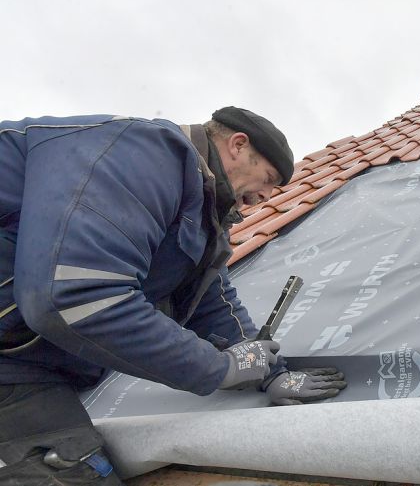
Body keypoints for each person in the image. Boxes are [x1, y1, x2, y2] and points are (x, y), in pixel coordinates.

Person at [0, 107, 347, 484]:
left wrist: (269, 372)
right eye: (268, 178)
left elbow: (212, 301)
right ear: (237, 145)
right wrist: (220, 368)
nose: (265, 197)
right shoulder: (144, 154)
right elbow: (75, 297)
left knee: (75, 467)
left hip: (26, 367)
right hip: (20, 359)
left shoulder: (201, 217)